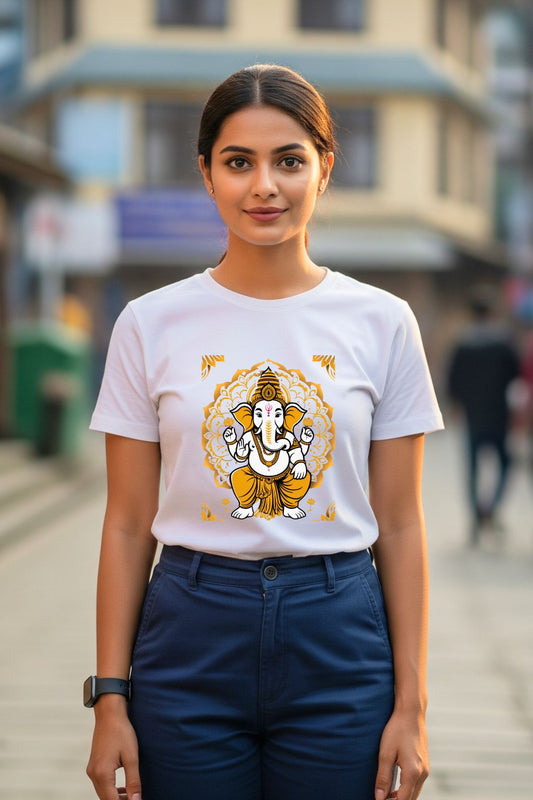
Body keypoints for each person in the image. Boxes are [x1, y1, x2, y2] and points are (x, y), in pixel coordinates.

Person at [85, 64, 443, 800]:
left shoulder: (383, 322)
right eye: (237, 162)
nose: (264, 187)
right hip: (188, 631)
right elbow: (125, 524)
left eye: (288, 160)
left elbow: (401, 525)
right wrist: (110, 697)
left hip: (339, 633)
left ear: (324, 168)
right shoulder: (149, 324)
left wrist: (411, 706)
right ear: (206, 173)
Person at [447, 285, 520, 544]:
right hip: (498, 414)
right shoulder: (503, 341)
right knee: (506, 464)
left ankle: (476, 518)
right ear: (492, 312)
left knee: (473, 469)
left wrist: (456, 404)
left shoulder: (463, 342)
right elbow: (516, 374)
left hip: (472, 415)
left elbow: (452, 378)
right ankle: (490, 508)